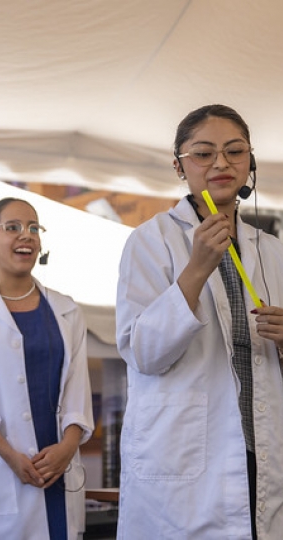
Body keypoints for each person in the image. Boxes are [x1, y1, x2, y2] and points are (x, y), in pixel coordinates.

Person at [116, 104, 283, 539]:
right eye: (204, 153)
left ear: (251, 163)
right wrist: (195, 271)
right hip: (186, 463)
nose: (221, 164)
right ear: (179, 165)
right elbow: (141, 353)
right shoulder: (150, 241)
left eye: (235, 151)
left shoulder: (272, 251)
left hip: (262, 456)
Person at [0, 197, 94, 540]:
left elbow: (77, 393)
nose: (25, 236)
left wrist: (67, 449)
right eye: (12, 228)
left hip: (60, 472)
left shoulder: (67, 310)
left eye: (33, 228)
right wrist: (11, 455)